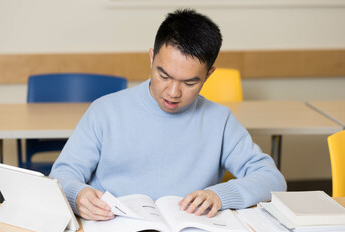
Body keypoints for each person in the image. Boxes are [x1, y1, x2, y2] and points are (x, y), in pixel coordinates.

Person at [50, 9, 286, 221]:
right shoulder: (105, 111)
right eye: (164, 76)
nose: (173, 93)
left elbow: (272, 179)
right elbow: (63, 173)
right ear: (152, 58)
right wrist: (77, 195)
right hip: (112, 227)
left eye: (190, 82)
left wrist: (221, 195)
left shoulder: (220, 120)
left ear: (209, 74)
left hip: (188, 230)